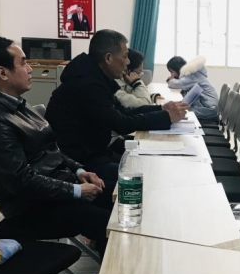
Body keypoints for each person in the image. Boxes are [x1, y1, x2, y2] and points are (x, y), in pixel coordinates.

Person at [0, 37, 111, 255]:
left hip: (54, 193)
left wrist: (79, 171)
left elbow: (52, 148)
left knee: (120, 198)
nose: (30, 69)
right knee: (112, 223)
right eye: (23, 63)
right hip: (29, 208)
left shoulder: (16, 104)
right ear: (3, 73)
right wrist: (76, 191)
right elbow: (21, 181)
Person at [46, 30, 187, 190]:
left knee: (150, 164)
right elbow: (121, 124)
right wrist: (166, 117)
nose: (128, 62)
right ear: (108, 58)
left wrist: (161, 108)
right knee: (148, 178)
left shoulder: (95, 78)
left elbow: (124, 112)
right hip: (81, 164)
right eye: (125, 56)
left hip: (97, 152)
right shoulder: (86, 85)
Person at [166, 55, 219, 121]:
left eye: (171, 72)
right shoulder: (195, 73)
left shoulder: (192, 76)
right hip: (208, 106)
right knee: (178, 108)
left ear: (177, 69)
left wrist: (170, 79)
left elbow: (174, 84)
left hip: (208, 109)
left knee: (177, 112)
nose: (171, 74)